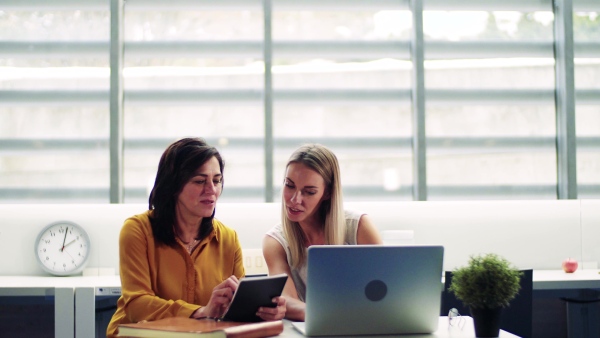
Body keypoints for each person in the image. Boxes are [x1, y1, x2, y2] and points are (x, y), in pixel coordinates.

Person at [106, 137, 286, 337]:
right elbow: (137, 305)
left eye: (216, 181)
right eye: (200, 181)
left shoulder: (228, 238)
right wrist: (201, 311)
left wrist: (263, 311)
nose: (212, 190)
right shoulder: (137, 230)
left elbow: (235, 312)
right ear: (173, 186)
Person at [262, 143, 382, 321]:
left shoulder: (358, 227)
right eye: (289, 185)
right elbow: (286, 300)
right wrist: (341, 316)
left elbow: (386, 290)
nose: (295, 200)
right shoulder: (276, 241)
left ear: (327, 193)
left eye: (309, 192)